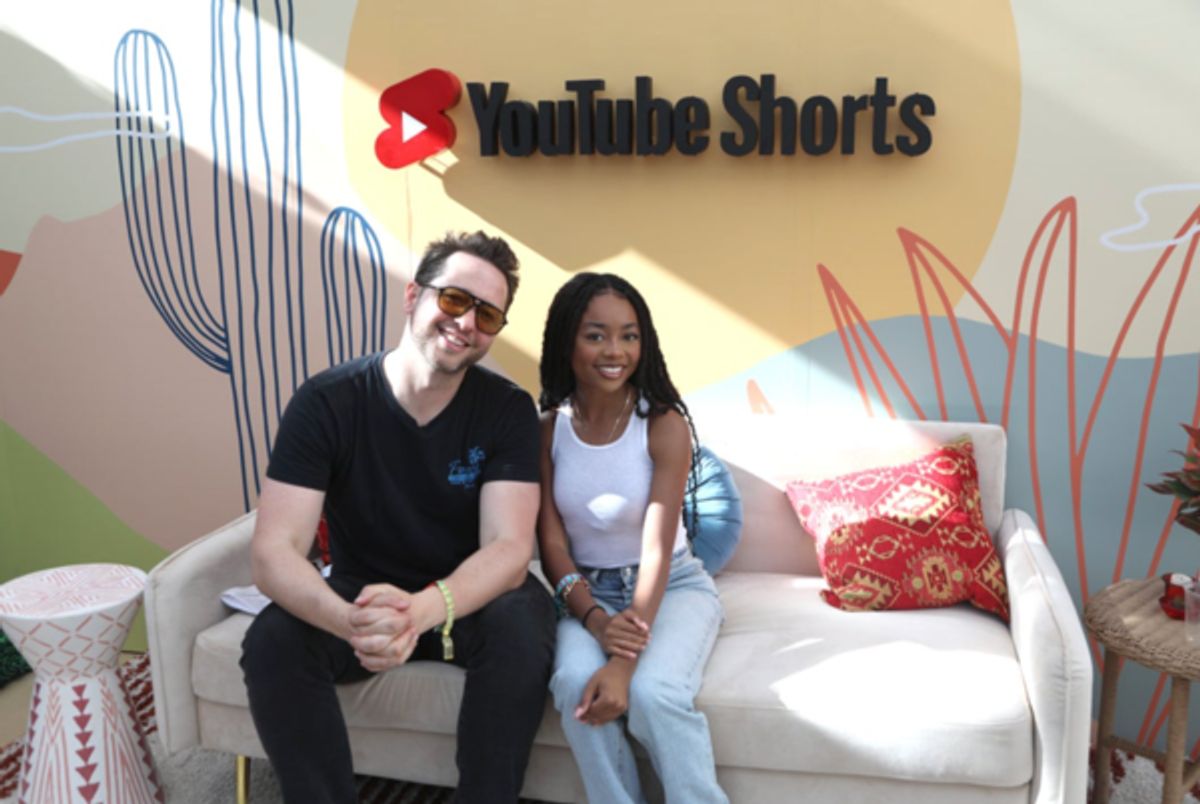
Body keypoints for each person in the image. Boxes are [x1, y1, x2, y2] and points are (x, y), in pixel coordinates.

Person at [240, 231, 556, 804]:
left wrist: (418, 614)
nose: (467, 324)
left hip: (470, 597)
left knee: (522, 626)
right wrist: (350, 622)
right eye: (455, 299)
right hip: (364, 594)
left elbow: (508, 550)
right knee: (272, 642)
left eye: (488, 315)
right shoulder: (326, 401)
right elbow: (273, 552)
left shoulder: (507, 409)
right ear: (413, 296)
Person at [536, 272, 728, 803]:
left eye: (630, 335)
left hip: (671, 587)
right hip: (586, 592)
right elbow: (553, 545)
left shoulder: (662, 423)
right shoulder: (550, 429)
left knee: (653, 692)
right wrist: (595, 620)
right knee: (574, 683)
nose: (615, 351)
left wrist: (623, 660)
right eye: (596, 335)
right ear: (566, 341)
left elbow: (658, 549)